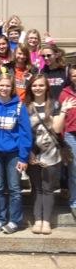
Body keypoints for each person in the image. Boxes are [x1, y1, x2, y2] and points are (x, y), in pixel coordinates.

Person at [0, 74, 33, 234]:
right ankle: (1, 218)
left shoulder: (19, 106)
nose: (4, 88)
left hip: (14, 153)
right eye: (1, 85)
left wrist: (24, 156)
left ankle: (14, 220)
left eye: (7, 86)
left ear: (12, 88)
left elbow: (26, 133)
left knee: (15, 188)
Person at [25, 74, 76, 234]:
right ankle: (37, 220)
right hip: (32, 152)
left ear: (47, 87)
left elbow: (57, 129)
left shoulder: (54, 104)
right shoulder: (25, 106)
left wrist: (62, 112)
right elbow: (23, 132)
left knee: (47, 188)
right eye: (34, 85)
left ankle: (46, 221)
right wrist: (27, 153)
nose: (37, 88)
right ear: (30, 88)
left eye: (41, 85)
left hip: (51, 153)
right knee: (37, 188)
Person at [59, 64, 76, 219]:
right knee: (74, 170)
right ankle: (74, 202)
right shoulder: (65, 93)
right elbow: (62, 117)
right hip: (71, 135)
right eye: (74, 75)